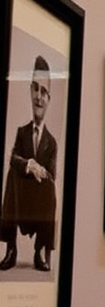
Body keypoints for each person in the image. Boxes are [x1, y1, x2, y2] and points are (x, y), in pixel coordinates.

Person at [0, 56, 58, 273]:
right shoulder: (22, 132)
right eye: (35, 89)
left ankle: (38, 252)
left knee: (50, 187)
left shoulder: (51, 142)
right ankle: (11, 249)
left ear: (49, 98)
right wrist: (29, 164)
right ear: (30, 91)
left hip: (38, 197)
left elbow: (52, 174)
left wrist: (39, 171)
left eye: (44, 92)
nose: (39, 97)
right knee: (12, 174)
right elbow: (13, 158)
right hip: (20, 194)